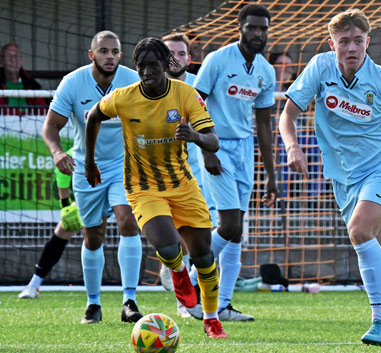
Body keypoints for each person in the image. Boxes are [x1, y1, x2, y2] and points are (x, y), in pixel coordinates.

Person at [279, 9, 381, 346]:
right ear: (332, 44)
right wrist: (292, 147)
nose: (352, 48)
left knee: (358, 230)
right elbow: (288, 115)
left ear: (367, 43)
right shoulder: (320, 68)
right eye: (344, 42)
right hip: (344, 178)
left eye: (358, 41)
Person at [84, 37, 228, 339]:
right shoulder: (123, 97)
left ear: (166, 65)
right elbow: (93, 116)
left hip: (183, 185)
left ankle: (212, 318)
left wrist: (195, 137)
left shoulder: (186, 94)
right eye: (141, 67)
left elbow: (213, 140)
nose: (146, 72)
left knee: (203, 258)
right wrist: (89, 162)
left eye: (152, 66)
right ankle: (177, 274)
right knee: (168, 246)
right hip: (142, 187)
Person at [42, 31, 143, 324]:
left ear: (120, 56)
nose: (109, 56)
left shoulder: (133, 81)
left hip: (125, 164)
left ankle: (129, 300)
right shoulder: (73, 83)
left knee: (128, 220)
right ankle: (93, 303)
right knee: (93, 236)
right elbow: (50, 128)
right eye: (103, 51)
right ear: (92, 55)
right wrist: (58, 153)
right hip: (87, 169)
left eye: (115, 51)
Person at [186, 3, 278, 322]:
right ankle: (186, 276)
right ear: (239, 28)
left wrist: (270, 173)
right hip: (216, 144)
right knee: (230, 225)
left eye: (263, 28)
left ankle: (221, 305)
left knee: (237, 233)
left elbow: (264, 124)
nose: (258, 33)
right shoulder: (217, 59)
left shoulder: (267, 71)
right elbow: (194, 102)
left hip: (244, 149)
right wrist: (207, 148)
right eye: (252, 27)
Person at [158, 32, 218, 319]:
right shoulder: (149, 89)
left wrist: (209, 155)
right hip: (164, 177)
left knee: (210, 237)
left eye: (181, 54)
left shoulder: (198, 87)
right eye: (169, 53)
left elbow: (208, 128)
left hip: (202, 175)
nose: (175, 59)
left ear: (189, 59)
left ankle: (200, 298)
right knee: (177, 238)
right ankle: (185, 302)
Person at [18, 148, 82, 299]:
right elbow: (63, 172)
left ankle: (129, 294)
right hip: (91, 193)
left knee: (129, 224)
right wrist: (65, 205)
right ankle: (33, 286)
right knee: (64, 229)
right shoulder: (76, 151)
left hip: (122, 191)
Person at [0, 43, 47, 114]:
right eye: (8, 56)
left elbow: (42, 111)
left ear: (22, 60)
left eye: (17, 56)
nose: (13, 60)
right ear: (1, 61)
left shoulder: (32, 85)